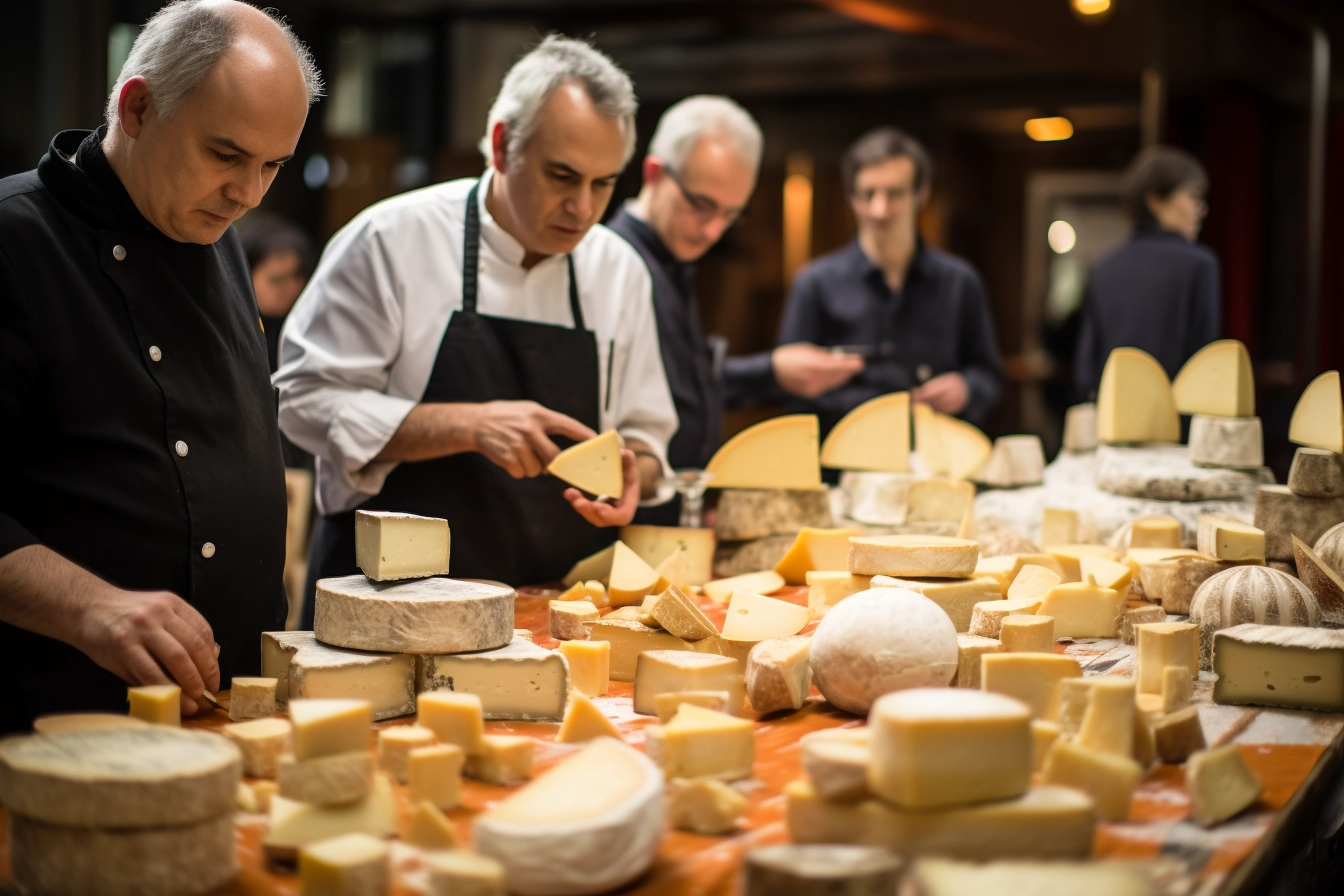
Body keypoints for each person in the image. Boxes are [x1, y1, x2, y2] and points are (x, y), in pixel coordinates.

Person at [0, 0, 320, 732]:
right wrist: (92, 606)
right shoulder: (14, 243)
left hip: (226, 706)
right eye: (227, 155)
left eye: (272, 165)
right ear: (138, 106)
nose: (249, 195)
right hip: (60, 718)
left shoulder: (218, 236)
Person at [276, 36, 676, 617]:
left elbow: (645, 428)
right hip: (387, 608)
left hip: (552, 610)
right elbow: (302, 402)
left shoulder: (620, 270)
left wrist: (636, 466)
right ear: (500, 144)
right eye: (562, 176)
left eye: (604, 183)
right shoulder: (391, 240)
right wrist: (469, 424)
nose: (583, 208)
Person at [608, 96, 863, 472]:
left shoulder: (676, 258)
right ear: (654, 173)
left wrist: (772, 372)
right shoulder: (614, 263)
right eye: (701, 205)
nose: (713, 230)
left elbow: (686, 383)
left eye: (731, 215)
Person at [778, 127, 1004, 434]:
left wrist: (967, 389)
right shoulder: (815, 283)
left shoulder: (960, 282)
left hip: (939, 460)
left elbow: (989, 374)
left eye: (894, 194)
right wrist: (884, 409)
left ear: (921, 194)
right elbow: (793, 389)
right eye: (868, 194)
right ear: (851, 198)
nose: (879, 210)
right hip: (845, 464)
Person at [1073, 146, 1219, 400]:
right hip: (1177, 424)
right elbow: (1205, 364)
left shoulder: (1103, 268)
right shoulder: (1199, 264)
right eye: (1193, 197)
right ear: (1155, 201)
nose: (1201, 209)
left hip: (1114, 422)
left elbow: (1086, 369)